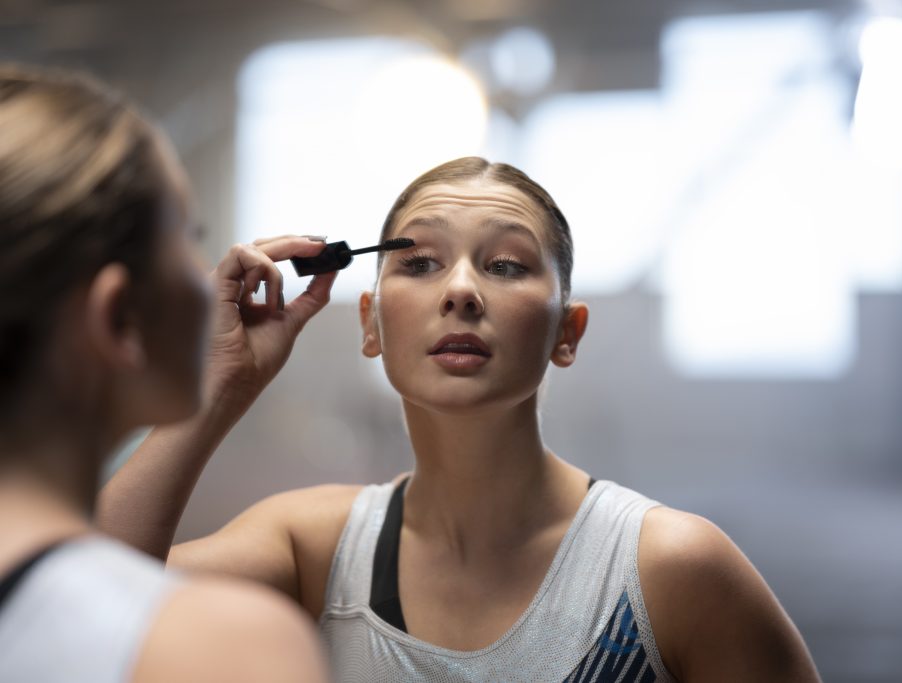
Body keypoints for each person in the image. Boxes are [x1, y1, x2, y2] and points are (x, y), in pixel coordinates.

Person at [98, 157, 822, 681]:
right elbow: (76, 606)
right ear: (370, 323)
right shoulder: (314, 548)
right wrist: (216, 389)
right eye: (418, 264)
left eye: (506, 264)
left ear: (567, 331)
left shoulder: (668, 568)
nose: (463, 290)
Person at [0, 64, 331, 682]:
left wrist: (223, 380)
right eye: (189, 235)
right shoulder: (224, 647)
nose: (213, 274)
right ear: (119, 315)